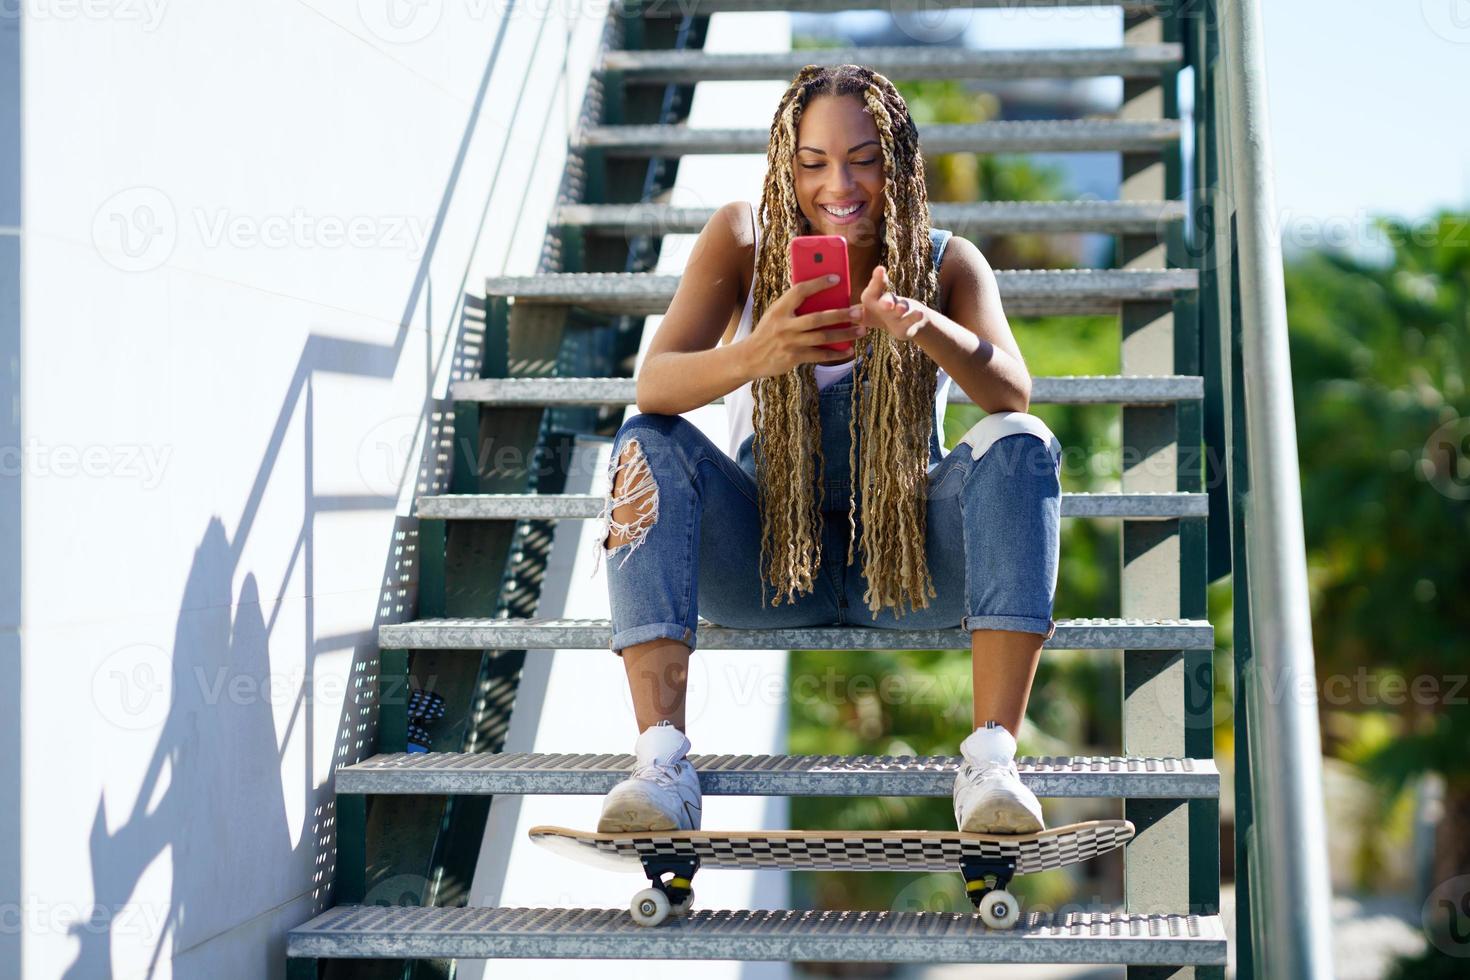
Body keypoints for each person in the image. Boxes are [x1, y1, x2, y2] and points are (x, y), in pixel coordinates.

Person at [589, 65, 1062, 838]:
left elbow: (1012, 390)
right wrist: (757, 354)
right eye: (813, 163)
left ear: (898, 161)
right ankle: (661, 764)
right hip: (767, 563)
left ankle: (991, 763)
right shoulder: (743, 239)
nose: (838, 184)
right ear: (787, 162)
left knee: (1022, 444)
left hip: (906, 571)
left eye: (863, 159)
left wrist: (921, 325)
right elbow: (656, 385)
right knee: (647, 442)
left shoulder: (948, 262)